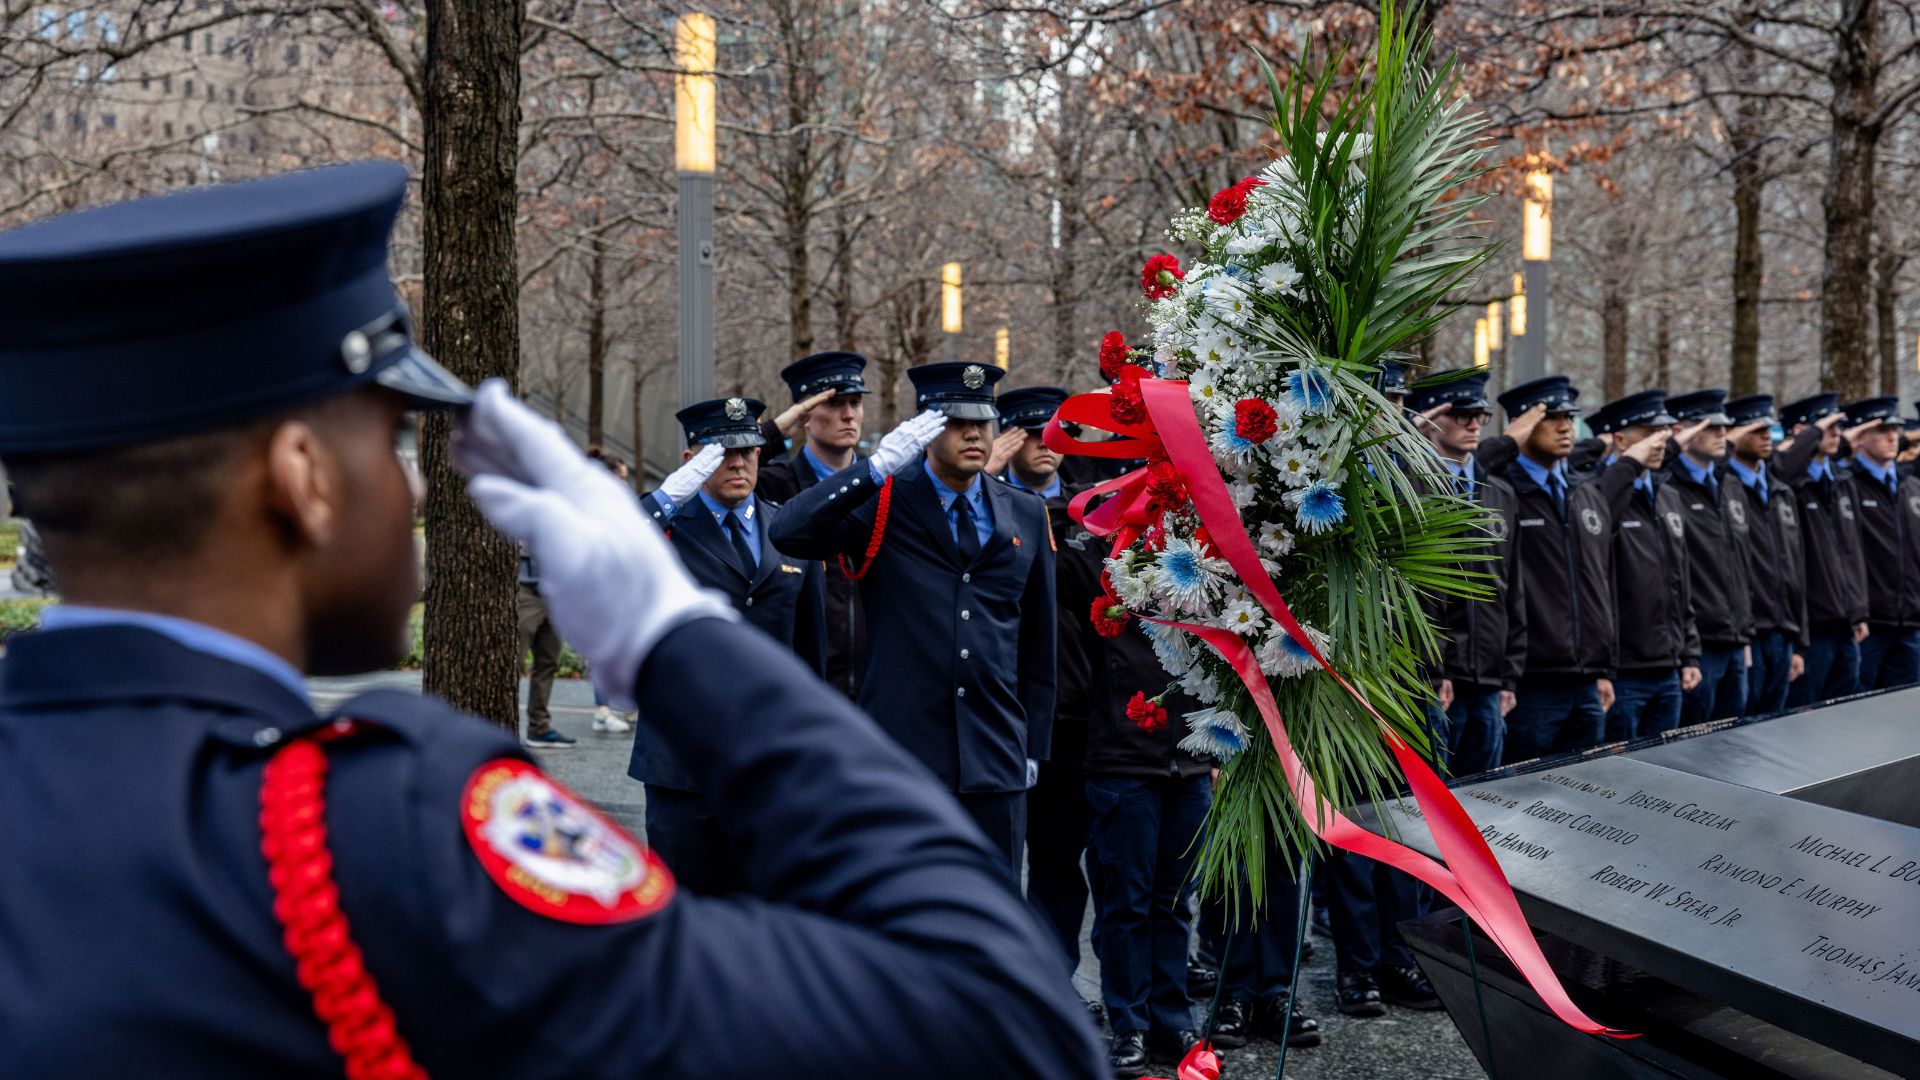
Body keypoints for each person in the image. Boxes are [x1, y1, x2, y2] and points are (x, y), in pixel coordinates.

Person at [0, 162, 1106, 1079]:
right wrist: (682, 646)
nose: (419, 492)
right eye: (390, 442)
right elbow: (999, 1017)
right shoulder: (397, 823)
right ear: (302, 477)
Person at [770, 362, 1057, 874]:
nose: (973, 432)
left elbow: (1038, 642)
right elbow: (789, 532)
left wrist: (1031, 745)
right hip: (906, 758)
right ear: (924, 428)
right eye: (954, 421)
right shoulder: (884, 502)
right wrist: (875, 468)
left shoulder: (1025, 512)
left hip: (996, 761)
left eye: (983, 422)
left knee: (993, 916)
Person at [631, 396, 828, 894]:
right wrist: (663, 500)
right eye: (720, 452)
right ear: (691, 461)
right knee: (686, 914)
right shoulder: (664, 530)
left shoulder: (787, 529)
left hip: (769, 762)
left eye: (749, 451)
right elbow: (610, 550)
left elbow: (810, 653)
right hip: (684, 762)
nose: (738, 462)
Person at [1055, 499, 1223, 1073]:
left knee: (1174, 902)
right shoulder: (1099, 557)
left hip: (1189, 759)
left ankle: (1172, 1017)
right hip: (1123, 756)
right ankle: (1129, 1021)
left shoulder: (1198, 554)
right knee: (1125, 902)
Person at [994, 385, 1092, 969]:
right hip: (1004, 713)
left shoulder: (1089, 510)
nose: (1045, 445)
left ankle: (1056, 981)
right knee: (997, 862)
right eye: (1030, 435)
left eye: (1055, 433)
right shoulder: (987, 508)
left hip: (1073, 718)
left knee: (1059, 863)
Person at [1475, 376, 1615, 762]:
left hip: (1587, 680)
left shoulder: (1585, 492)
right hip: (1533, 681)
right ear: (1521, 426)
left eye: (1569, 417)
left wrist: (1604, 668)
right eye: (1550, 418)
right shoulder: (1501, 489)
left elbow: (1604, 585)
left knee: (1591, 796)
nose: (1565, 427)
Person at [1407, 369, 1524, 775]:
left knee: (1489, 801)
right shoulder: (1413, 485)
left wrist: (1509, 675)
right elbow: (1417, 590)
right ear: (1431, 415)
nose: (1474, 423)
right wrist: (1435, 668)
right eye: (1461, 414)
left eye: (1480, 414)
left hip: (1489, 679)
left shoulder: (1499, 492)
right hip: (1438, 678)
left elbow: (1511, 589)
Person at [755, 351, 871, 699]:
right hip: (801, 690)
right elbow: (710, 474)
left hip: (876, 695)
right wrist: (775, 430)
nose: (849, 414)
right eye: (834, 404)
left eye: (855, 403)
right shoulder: (772, 485)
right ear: (805, 415)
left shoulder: (886, 488)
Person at [1585, 390, 1699, 741]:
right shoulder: (1597, 491)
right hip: (1625, 669)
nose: (1660, 441)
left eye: (1664, 432)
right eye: (1649, 433)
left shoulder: (1667, 494)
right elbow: (1598, 532)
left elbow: (1680, 580)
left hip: (1668, 666)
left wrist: (1689, 652)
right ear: (1620, 439)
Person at [1664, 390, 1755, 725]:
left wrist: (1744, 633)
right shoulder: (1668, 485)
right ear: (1682, 431)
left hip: (1734, 640)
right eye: (1709, 425)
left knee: (1732, 745)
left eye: (1723, 426)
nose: (1721, 433)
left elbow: (1742, 565)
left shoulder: (1728, 484)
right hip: (1699, 642)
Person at [1777, 394, 1868, 708]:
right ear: (1803, 432)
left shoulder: (1842, 483)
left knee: (1846, 713)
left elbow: (1852, 553)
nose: (1836, 433)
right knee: (1806, 715)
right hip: (1813, 628)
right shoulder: (1793, 486)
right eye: (1828, 427)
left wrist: (1858, 610)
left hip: (1846, 624)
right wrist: (1812, 434)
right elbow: (1785, 470)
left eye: (1837, 427)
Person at [1723, 394, 1806, 716]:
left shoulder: (1780, 491)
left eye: (1768, 430)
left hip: (1783, 629)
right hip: (1751, 630)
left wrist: (1800, 640)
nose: (1766, 437)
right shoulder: (1726, 488)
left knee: (1775, 724)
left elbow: (1794, 567)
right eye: (1756, 430)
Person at [1838, 397, 1920, 691]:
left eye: (1895, 429)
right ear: (1859, 437)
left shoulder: (1911, 487)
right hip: (1868, 624)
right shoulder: (1845, 485)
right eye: (1881, 429)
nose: (1891, 437)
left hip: (1911, 624)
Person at [515, 543, 576, 748]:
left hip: (554, 593)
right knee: (512, 662)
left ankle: (539, 727)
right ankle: (502, 724)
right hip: (524, 589)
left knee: (548, 661)